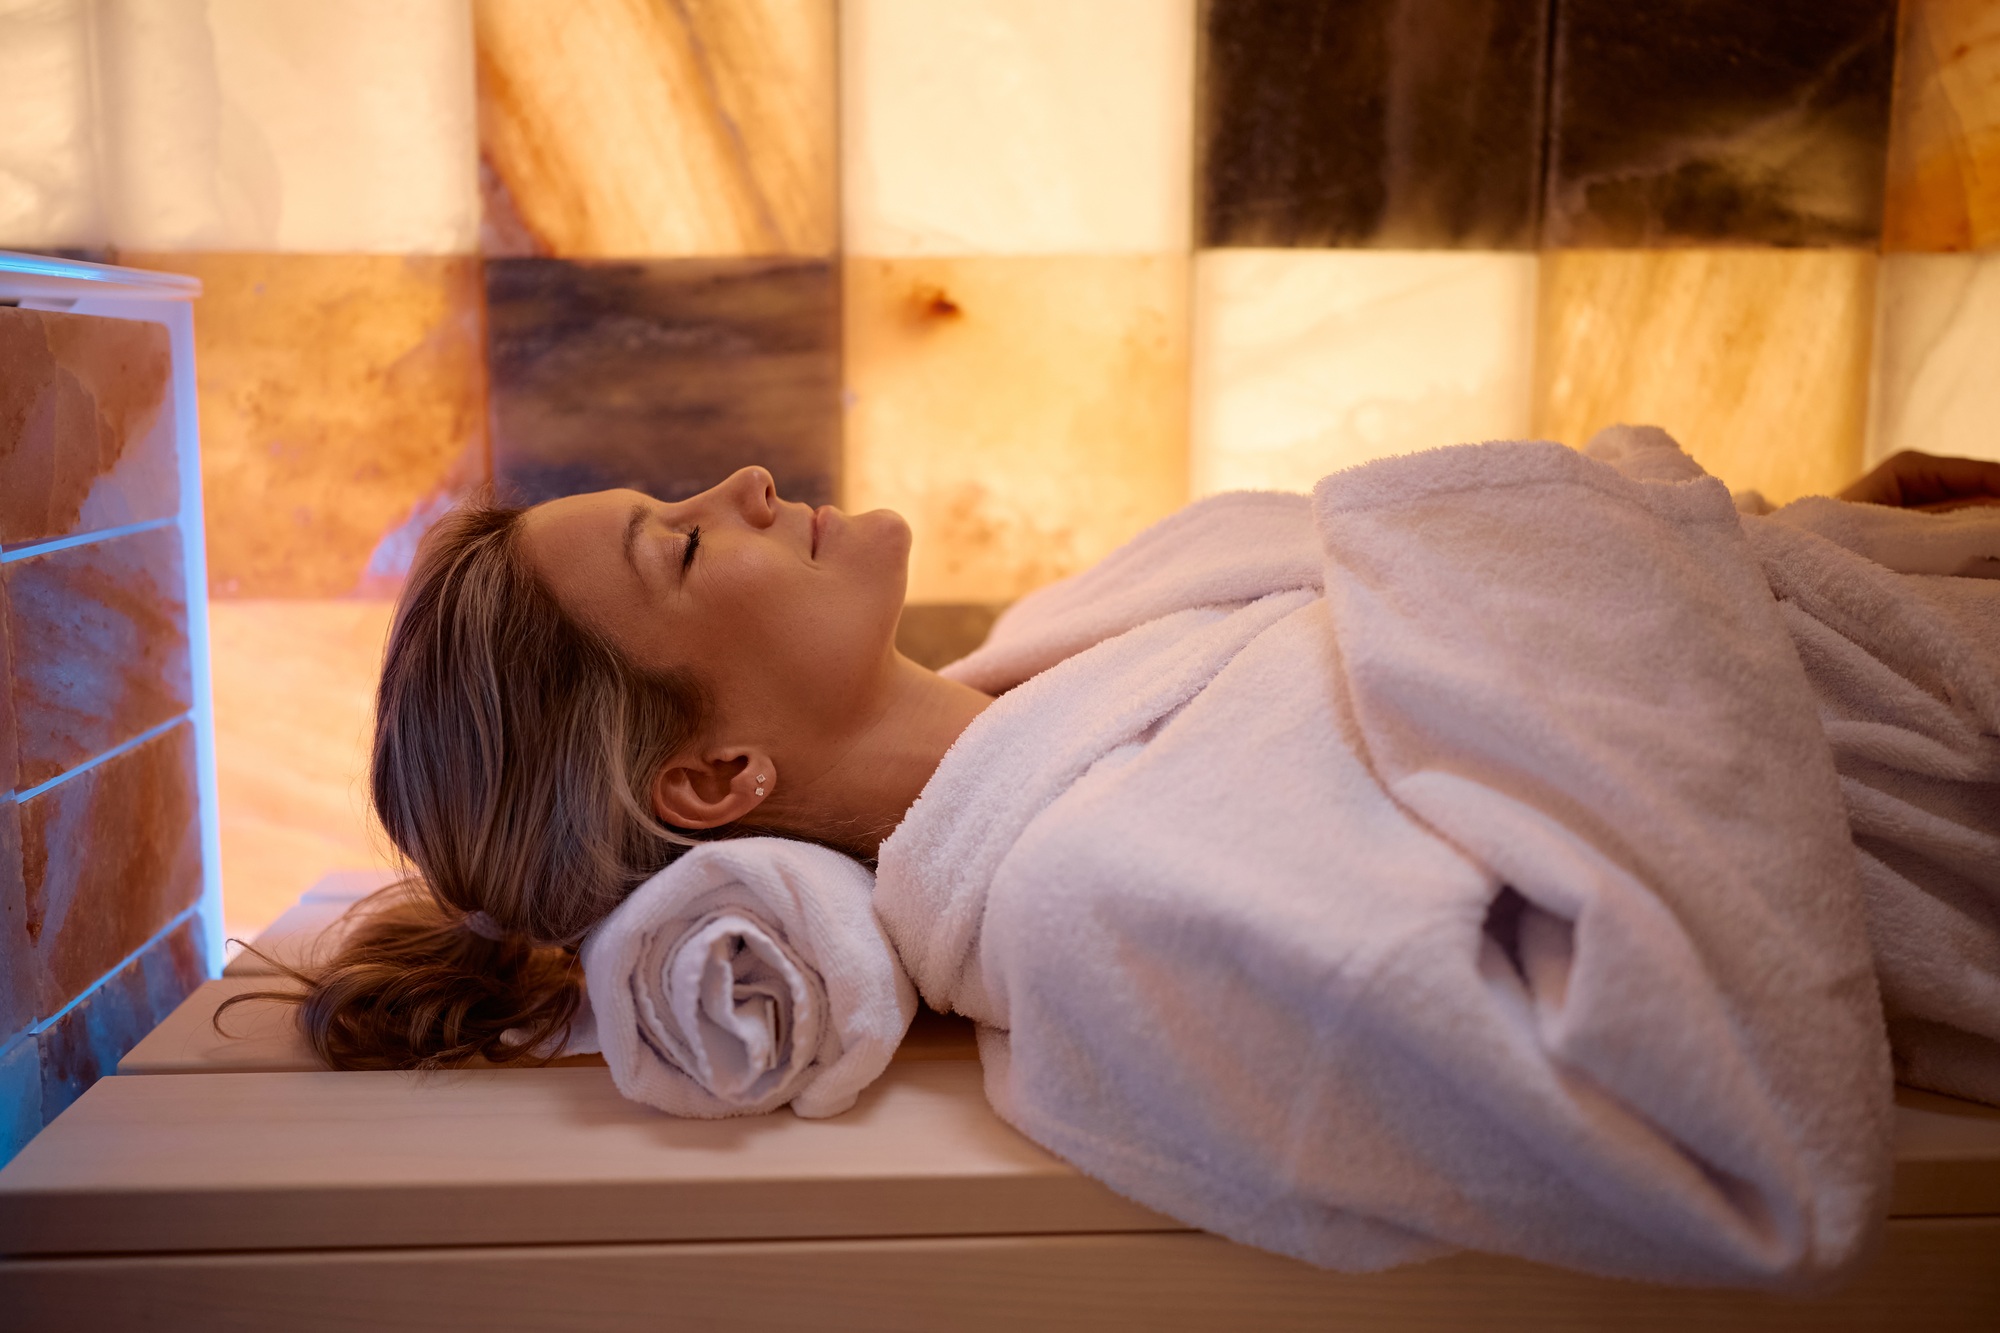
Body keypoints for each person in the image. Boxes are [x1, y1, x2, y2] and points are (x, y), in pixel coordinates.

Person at [259, 447, 2000, 1074]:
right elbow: (1604, 987)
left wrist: (1815, 528)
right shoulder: (1098, 887)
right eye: (687, 549)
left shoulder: (1081, 641)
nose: (745, 485)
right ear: (711, 782)